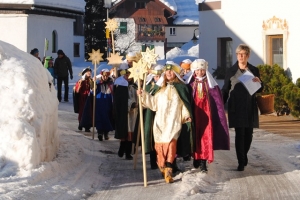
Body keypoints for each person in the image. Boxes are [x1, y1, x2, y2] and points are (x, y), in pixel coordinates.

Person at [137, 61, 193, 183]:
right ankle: (162, 166)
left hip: (174, 122)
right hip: (160, 123)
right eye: (167, 71)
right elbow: (153, 104)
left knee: (172, 145)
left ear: (176, 74)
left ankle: (168, 170)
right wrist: (143, 95)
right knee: (160, 148)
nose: (168, 73)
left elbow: (184, 105)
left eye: (171, 71)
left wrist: (186, 115)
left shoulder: (181, 88)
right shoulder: (160, 89)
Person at [222, 44, 263, 171]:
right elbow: (225, 89)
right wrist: (220, 106)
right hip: (236, 106)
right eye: (238, 54)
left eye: (243, 54)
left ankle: (244, 155)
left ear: (248, 56)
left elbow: (260, 88)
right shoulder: (231, 71)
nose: (240, 56)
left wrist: (260, 83)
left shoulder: (254, 70)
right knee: (240, 134)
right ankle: (241, 161)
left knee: (248, 135)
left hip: (250, 106)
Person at [185, 59, 230, 172]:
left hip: (207, 116)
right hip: (194, 115)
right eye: (197, 70)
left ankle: (203, 161)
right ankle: (195, 157)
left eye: (202, 70)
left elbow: (217, 101)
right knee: (195, 136)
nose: (200, 72)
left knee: (206, 137)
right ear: (194, 71)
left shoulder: (211, 85)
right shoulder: (190, 84)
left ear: (205, 70)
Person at [113, 63, 138, 160]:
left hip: (133, 114)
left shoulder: (135, 86)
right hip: (123, 112)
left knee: (130, 133)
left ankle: (128, 152)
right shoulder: (120, 86)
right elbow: (120, 100)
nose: (128, 77)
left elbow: (137, 97)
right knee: (123, 131)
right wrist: (131, 104)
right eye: (127, 75)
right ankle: (122, 148)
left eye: (130, 75)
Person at [93, 69, 114, 141]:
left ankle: (106, 132)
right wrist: (93, 83)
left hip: (108, 102)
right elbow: (93, 91)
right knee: (99, 116)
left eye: (106, 76)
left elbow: (113, 92)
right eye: (104, 76)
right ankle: (100, 132)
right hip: (100, 102)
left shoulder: (111, 83)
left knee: (107, 116)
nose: (105, 77)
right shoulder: (98, 83)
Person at [73, 67, 94, 132]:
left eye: (90, 72)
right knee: (82, 111)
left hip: (89, 98)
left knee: (89, 112)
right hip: (82, 98)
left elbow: (93, 88)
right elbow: (77, 90)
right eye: (88, 72)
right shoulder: (80, 81)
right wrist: (80, 84)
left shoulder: (91, 81)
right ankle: (81, 124)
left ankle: (87, 126)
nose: (89, 73)